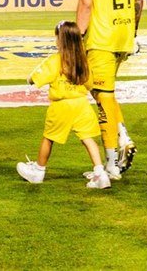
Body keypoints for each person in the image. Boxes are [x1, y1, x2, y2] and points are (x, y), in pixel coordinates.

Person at [72, 0, 143, 179]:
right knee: (102, 90)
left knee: (101, 97)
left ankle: (112, 162)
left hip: (100, 37)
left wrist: (77, 37)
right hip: (124, 34)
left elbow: (86, 2)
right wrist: (133, 33)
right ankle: (122, 135)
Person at [16, 21, 110, 189]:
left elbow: (34, 79)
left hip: (61, 106)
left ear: (61, 40)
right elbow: (89, 84)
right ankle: (100, 173)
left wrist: (31, 79)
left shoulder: (55, 60)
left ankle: (38, 170)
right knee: (88, 139)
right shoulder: (83, 62)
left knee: (49, 138)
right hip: (82, 105)